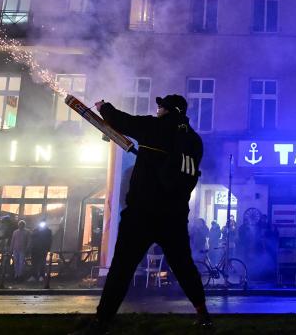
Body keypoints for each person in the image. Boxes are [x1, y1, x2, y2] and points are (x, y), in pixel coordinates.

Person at [73, 94, 210, 334]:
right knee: (184, 266)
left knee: (122, 268)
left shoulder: (152, 126)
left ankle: (103, 320)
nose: (157, 109)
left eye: (160, 106)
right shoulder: (194, 140)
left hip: (141, 212)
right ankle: (202, 314)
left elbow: (121, 121)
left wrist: (104, 107)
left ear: (166, 110)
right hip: (174, 215)